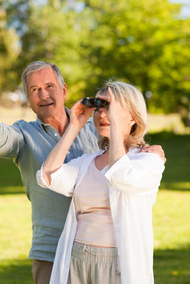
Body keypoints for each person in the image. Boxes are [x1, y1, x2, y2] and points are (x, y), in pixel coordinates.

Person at [0, 61, 165, 284]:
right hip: (51, 250)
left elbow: (125, 165)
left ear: (63, 90)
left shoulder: (97, 132)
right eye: (34, 89)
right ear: (28, 98)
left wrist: (141, 147)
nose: (43, 94)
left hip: (113, 252)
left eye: (49, 86)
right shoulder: (24, 135)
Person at [37, 80, 165, 284]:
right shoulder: (87, 162)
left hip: (118, 264)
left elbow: (120, 175)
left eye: (111, 108)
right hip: (77, 258)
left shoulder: (148, 160)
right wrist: (74, 126)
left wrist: (116, 127)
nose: (103, 114)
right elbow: (48, 176)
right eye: (99, 108)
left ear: (133, 116)